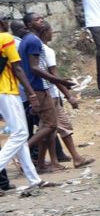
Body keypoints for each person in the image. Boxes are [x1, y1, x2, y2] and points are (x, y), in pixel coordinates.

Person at [15, 16, 72, 173]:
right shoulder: (33, 41)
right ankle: (22, 150)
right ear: (29, 24)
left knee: (48, 127)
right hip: (39, 86)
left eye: (41, 19)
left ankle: (41, 163)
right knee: (50, 125)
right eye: (37, 19)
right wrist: (58, 80)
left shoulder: (27, 40)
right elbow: (35, 67)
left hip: (36, 87)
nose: (41, 20)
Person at [35, 23, 93, 168]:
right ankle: (28, 153)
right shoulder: (47, 51)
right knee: (57, 127)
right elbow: (54, 76)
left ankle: (47, 162)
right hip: (51, 94)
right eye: (50, 31)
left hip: (46, 93)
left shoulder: (38, 50)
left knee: (50, 129)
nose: (52, 34)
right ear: (45, 33)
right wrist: (69, 96)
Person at [0, 19, 42, 190]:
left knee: (20, 135)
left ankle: (34, 179)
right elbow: (17, 68)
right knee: (20, 133)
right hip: (7, 91)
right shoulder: (5, 38)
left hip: (3, 93)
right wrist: (31, 93)